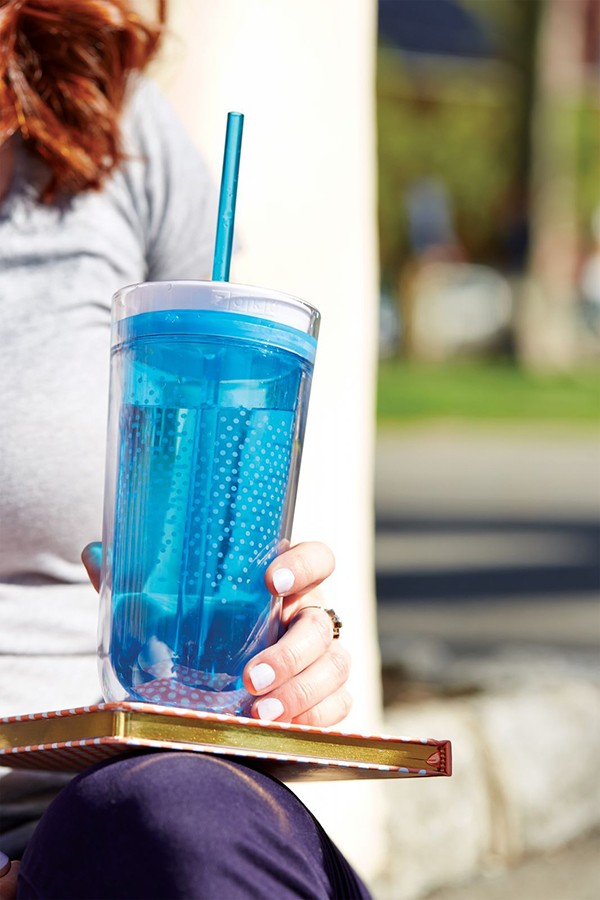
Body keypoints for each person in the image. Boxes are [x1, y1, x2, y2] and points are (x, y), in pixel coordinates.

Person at [0, 1, 368, 896]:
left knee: (179, 820)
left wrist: (280, 657)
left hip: (126, 803)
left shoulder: (102, 119)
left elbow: (225, 486)